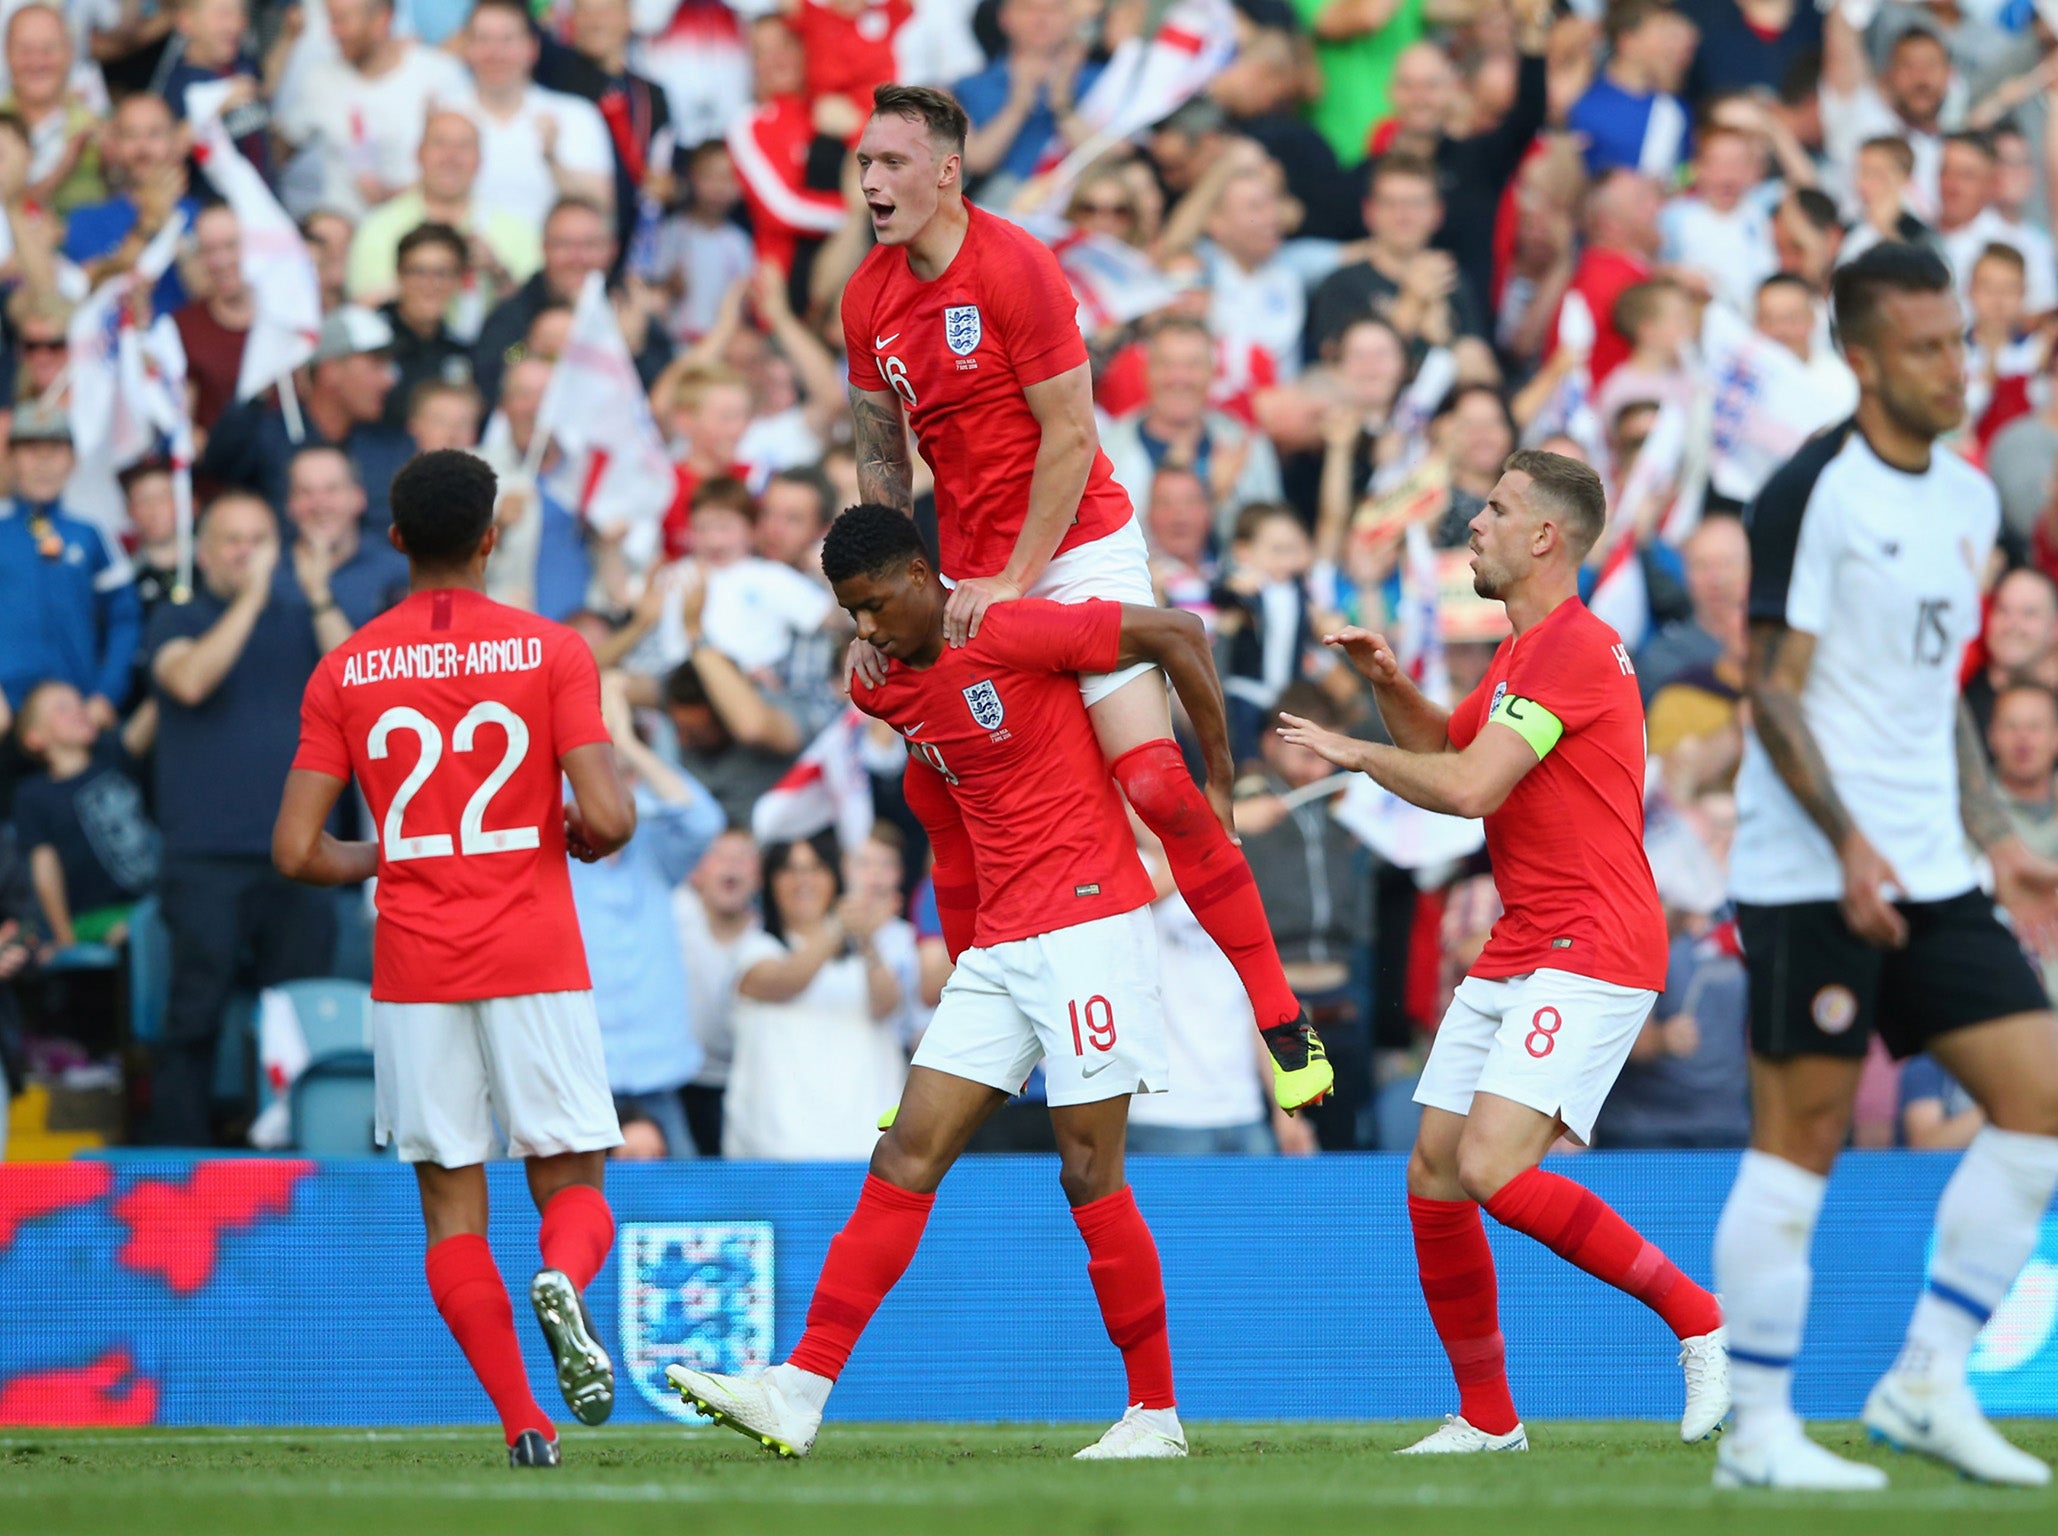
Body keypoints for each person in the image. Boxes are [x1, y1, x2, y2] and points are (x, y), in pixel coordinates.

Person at [667, 500, 1247, 1460]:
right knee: (903, 1158)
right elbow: (941, 816)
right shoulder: (883, 685)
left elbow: (1179, 630)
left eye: (870, 606)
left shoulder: (1012, 628)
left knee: (1089, 1169)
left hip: (1089, 928)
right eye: (848, 615)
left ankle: (1155, 1416)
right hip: (1001, 951)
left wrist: (1216, 787)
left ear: (918, 577)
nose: (864, 629)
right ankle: (798, 1392)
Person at [840, 84, 1331, 1114]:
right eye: (863, 163)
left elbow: (1071, 436)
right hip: (965, 577)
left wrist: (1015, 578)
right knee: (949, 799)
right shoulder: (866, 300)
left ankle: (1280, 1015)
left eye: (892, 163)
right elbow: (882, 460)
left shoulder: (1016, 265)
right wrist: (876, 609)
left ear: (945, 172)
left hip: (1077, 550)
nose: (873, 182)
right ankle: (964, 1052)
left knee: (1152, 785)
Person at [1274, 449, 1730, 1454]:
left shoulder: (1571, 648)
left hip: (1593, 942)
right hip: (1527, 939)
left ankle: (1700, 1321)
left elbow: (1471, 789)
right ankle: (1488, 1420)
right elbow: (1452, 750)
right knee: (1435, 1172)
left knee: (1490, 1165)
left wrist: (1354, 754)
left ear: (1544, 539)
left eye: (1494, 509)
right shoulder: (1523, 655)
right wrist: (1388, 684)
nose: (1471, 524)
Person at [1714, 242, 2058, 1490]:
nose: (1954, 366)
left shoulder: (1970, 499)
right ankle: (1755, 1434)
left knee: (2042, 1104)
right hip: (1811, 869)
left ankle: (1925, 1380)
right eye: (1926, 348)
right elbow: (1775, 693)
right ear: (1861, 360)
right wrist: (1848, 842)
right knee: (1800, 1143)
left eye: (1960, 341)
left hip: (1933, 866)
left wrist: (1995, 839)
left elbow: (1939, 696)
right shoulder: (1810, 491)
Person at [272, 449, 639, 1469]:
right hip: (533, 949)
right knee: (573, 1186)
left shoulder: (344, 666)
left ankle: (524, 1418)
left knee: (451, 1208)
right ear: (491, 537)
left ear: (394, 540)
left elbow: (298, 850)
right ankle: (563, 1278)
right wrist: (587, 833)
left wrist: (383, 852)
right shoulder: (551, 650)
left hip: (415, 966)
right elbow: (608, 813)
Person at [146, 492, 342, 1147]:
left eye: (259, 538)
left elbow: (363, 690)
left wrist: (317, 596)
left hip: (302, 853)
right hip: (205, 855)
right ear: (202, 554)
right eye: (232, 540)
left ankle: (301, 1154)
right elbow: (191, 681)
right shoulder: (177, 618)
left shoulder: (303, 614)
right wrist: (252, 600)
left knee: (302, 1012)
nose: (247, 552)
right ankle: (179, 1163)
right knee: (195, 1013)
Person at [569, 672, 723, 1159]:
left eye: (623, 775)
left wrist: (630, 747)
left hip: (658, 1077)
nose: (610, 787)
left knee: (684, 1217)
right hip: (577, 1077)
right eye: (597, 776)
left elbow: (705, 820)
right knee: (565, 1217)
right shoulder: (554, 850)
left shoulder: (656, 848)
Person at [720, 830, 908, 1161]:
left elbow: (886, 1003)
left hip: (864, 1151)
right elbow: (784, 981)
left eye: (815, 868)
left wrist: (865, 940)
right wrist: (839, 923)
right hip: (775, 1155)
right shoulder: (754, 948)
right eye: (790, 870)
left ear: (834, 877)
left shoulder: (864, 957)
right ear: (770, 882)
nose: (803, 881)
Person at [0, 404, 143, 735]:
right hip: (7, 715)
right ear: (10, 458)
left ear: (73, 460)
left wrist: (106, 695)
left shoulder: (91, 533)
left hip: (76, 717)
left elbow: (125, 617)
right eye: (31, 452)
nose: (43, 464)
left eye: (55, 451)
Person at [11, 679, 158, 948]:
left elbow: (155, 708)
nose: (78, 709)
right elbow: (45, 867)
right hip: (95, 917)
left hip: (155, 899)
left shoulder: (112, 754)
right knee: (143, 931)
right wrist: (63, 934)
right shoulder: (34, 795)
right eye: (62, 708)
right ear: (35, 737)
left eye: (80, 701)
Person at [674, 826, 762, 1156]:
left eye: (744, 857)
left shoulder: (767, 937)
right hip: (676, 1080)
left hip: (740, 1083)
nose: (732, 865)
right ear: (695, 872)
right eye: (720, 855)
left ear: (761, 875)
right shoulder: (677, 914)